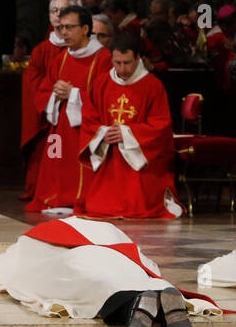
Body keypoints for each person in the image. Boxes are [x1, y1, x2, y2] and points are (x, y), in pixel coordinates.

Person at [0, 216, 223, 327]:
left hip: (76, 260)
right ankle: (157, 298)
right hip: (119, 255)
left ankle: (133, 305)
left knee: (90, 284)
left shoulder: (28, 243)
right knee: (130, 276)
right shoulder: (107, 229)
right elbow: (148, 263)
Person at [77, 34, 182, 219]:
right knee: (97, 207)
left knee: (137, 206)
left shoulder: (152, 85)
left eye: (127, 62)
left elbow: (161, 126)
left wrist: (127, 133)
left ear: (138, 58)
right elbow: (88, 118)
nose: (122, 69)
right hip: (109, 152)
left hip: (139, 157)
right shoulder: (101, 83)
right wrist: (103, 133)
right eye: (117, 63)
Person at [26, 5, 110, 214]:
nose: (63, 32)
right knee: (59, 162)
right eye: (61, 27)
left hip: (89, 128)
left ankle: (83, 198)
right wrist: (55, 93)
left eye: (69, 27)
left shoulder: (103, 58)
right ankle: (60, 196)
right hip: (62, 127)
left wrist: (74, 93)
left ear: (85, 29)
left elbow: (107, 96)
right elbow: (43, 92)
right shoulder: (60, 59)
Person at [20, 0, 71, 200]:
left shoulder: (79, 48)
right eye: (53, 11)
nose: (58, 15)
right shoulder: (42, 51)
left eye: (63, 10)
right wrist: (53, 97)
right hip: (48, 113)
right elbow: (31, 83)